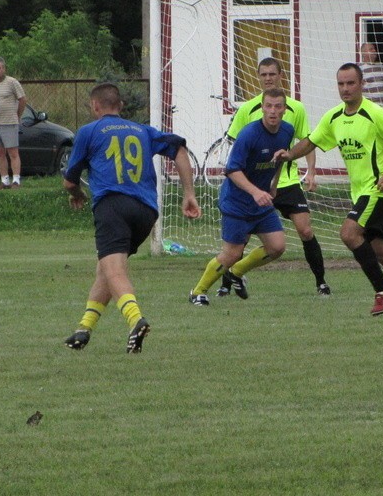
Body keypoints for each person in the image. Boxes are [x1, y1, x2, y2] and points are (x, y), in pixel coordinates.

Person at [274, 63, 383, 317]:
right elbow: (312, 141)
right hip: (361, 194)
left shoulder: (375, 114)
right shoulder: (334, 117)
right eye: (341, 84)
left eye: (350, 83)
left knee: (349, 233)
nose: (345, 89)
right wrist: (289, 155)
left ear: (362, 84)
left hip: (377, 191)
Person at [63, 82, 201, 353]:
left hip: (112, 205)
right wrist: (188, 193)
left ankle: (136, 320)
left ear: (95, 106)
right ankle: (83, 329)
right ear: (121, 106)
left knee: (114, 269)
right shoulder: (143, 130)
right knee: (105, 269)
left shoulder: (89, 131)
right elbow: (180, 150)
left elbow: (69, 181)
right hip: (146, 212)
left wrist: (77, 193)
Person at [217, 57, 330, 298]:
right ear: (258, 77)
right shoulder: (247, 109)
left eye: (272, 74)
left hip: (286, 181)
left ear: (281, 75)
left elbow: (306, 141)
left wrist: (311, 171)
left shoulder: (295, 108)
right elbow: (236, 145)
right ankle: (226, 282)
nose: (268, 78)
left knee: (305, 230)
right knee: (240, 240)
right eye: (263, 74)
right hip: (256, 186)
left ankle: (321, 283)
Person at [190, 88, 293, 306]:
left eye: (278, 106)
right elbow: (232, 170)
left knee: (277, 246)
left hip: (261, 201)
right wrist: (256, 191)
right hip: (237, 202)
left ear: (284, 109)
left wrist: (273, 185)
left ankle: (236, 272)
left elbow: (280, 159)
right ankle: (197, 291)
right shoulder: (249, 135)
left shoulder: (287, 131)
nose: (273, 111)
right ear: (262, 108)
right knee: (231, 253)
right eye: (269, 106)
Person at [0, 57, 27, 189]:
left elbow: (22, 99)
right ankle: (5, 180)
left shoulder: (12, 82)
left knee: (13, 152)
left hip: (9, 122)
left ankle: (16, 180)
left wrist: (17, 115)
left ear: (4, 69)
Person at [359, 42, 383, 108]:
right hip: (369, 108)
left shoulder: (381, 66)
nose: (374, 50)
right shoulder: (359, 69)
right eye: (371, 49)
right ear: (364, 53)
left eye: (374, 48)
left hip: (382, 108)